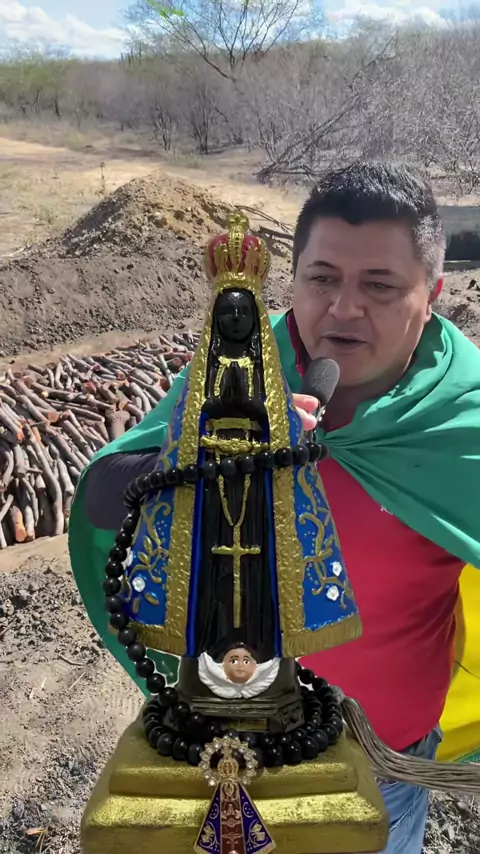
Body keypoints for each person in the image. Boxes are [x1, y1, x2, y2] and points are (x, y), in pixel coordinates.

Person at [69, 162, 480, 854]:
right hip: (227, 747)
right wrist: (203, 457)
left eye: (379, 286)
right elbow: (109, 493)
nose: (343, 308)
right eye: (322, 279)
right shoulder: (238, 368)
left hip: (384, 770)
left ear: (433, 293)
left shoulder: (461, 421)